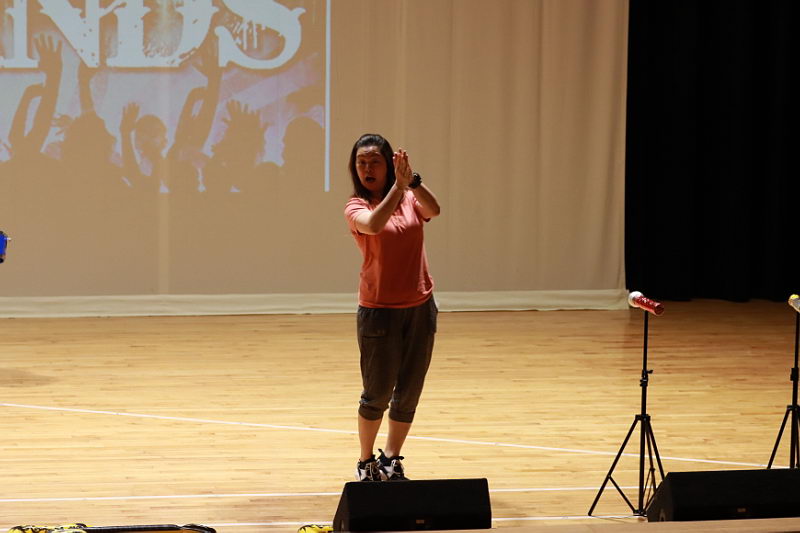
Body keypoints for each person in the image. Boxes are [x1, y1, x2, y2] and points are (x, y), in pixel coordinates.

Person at [343, 133, 441, 481]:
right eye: (361, 162)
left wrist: (412, 182)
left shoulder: (410, 197)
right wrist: (398, 189)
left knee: (409, 391)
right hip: (379, 310)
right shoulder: (357, 206)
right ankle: (366, 461)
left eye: (375, 162)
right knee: (377, 394)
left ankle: (391, 458)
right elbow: (374, 225)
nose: (367, 168)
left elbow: (434, 209)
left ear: (389, 165)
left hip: (420, 307)